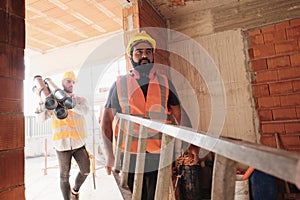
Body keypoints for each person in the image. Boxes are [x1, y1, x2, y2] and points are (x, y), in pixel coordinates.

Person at [100, 31, 199, 200]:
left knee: (154, 196)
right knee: (133, 195)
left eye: (148, 51)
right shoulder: (119, 84)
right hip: (128, 153)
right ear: (130, 56)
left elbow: (180, 116)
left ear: (153, 56)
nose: (144, 55)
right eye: (139, 52)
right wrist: (109, 154)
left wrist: (192, 144)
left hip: (157, 152)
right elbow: (107, 121)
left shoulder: (165, 82)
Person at [37, 71, 90, 200]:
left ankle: (75, 191)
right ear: (62, 83)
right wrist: (41, 103)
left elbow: (85, 111)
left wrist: (70, 102)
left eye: (73, 82)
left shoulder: (80, 99)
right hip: (62, 145)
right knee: (64, 176)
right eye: (68, 81)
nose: (71, 84)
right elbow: (41, 119)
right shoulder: (53, 101)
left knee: (85, 170)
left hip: (78, 143)